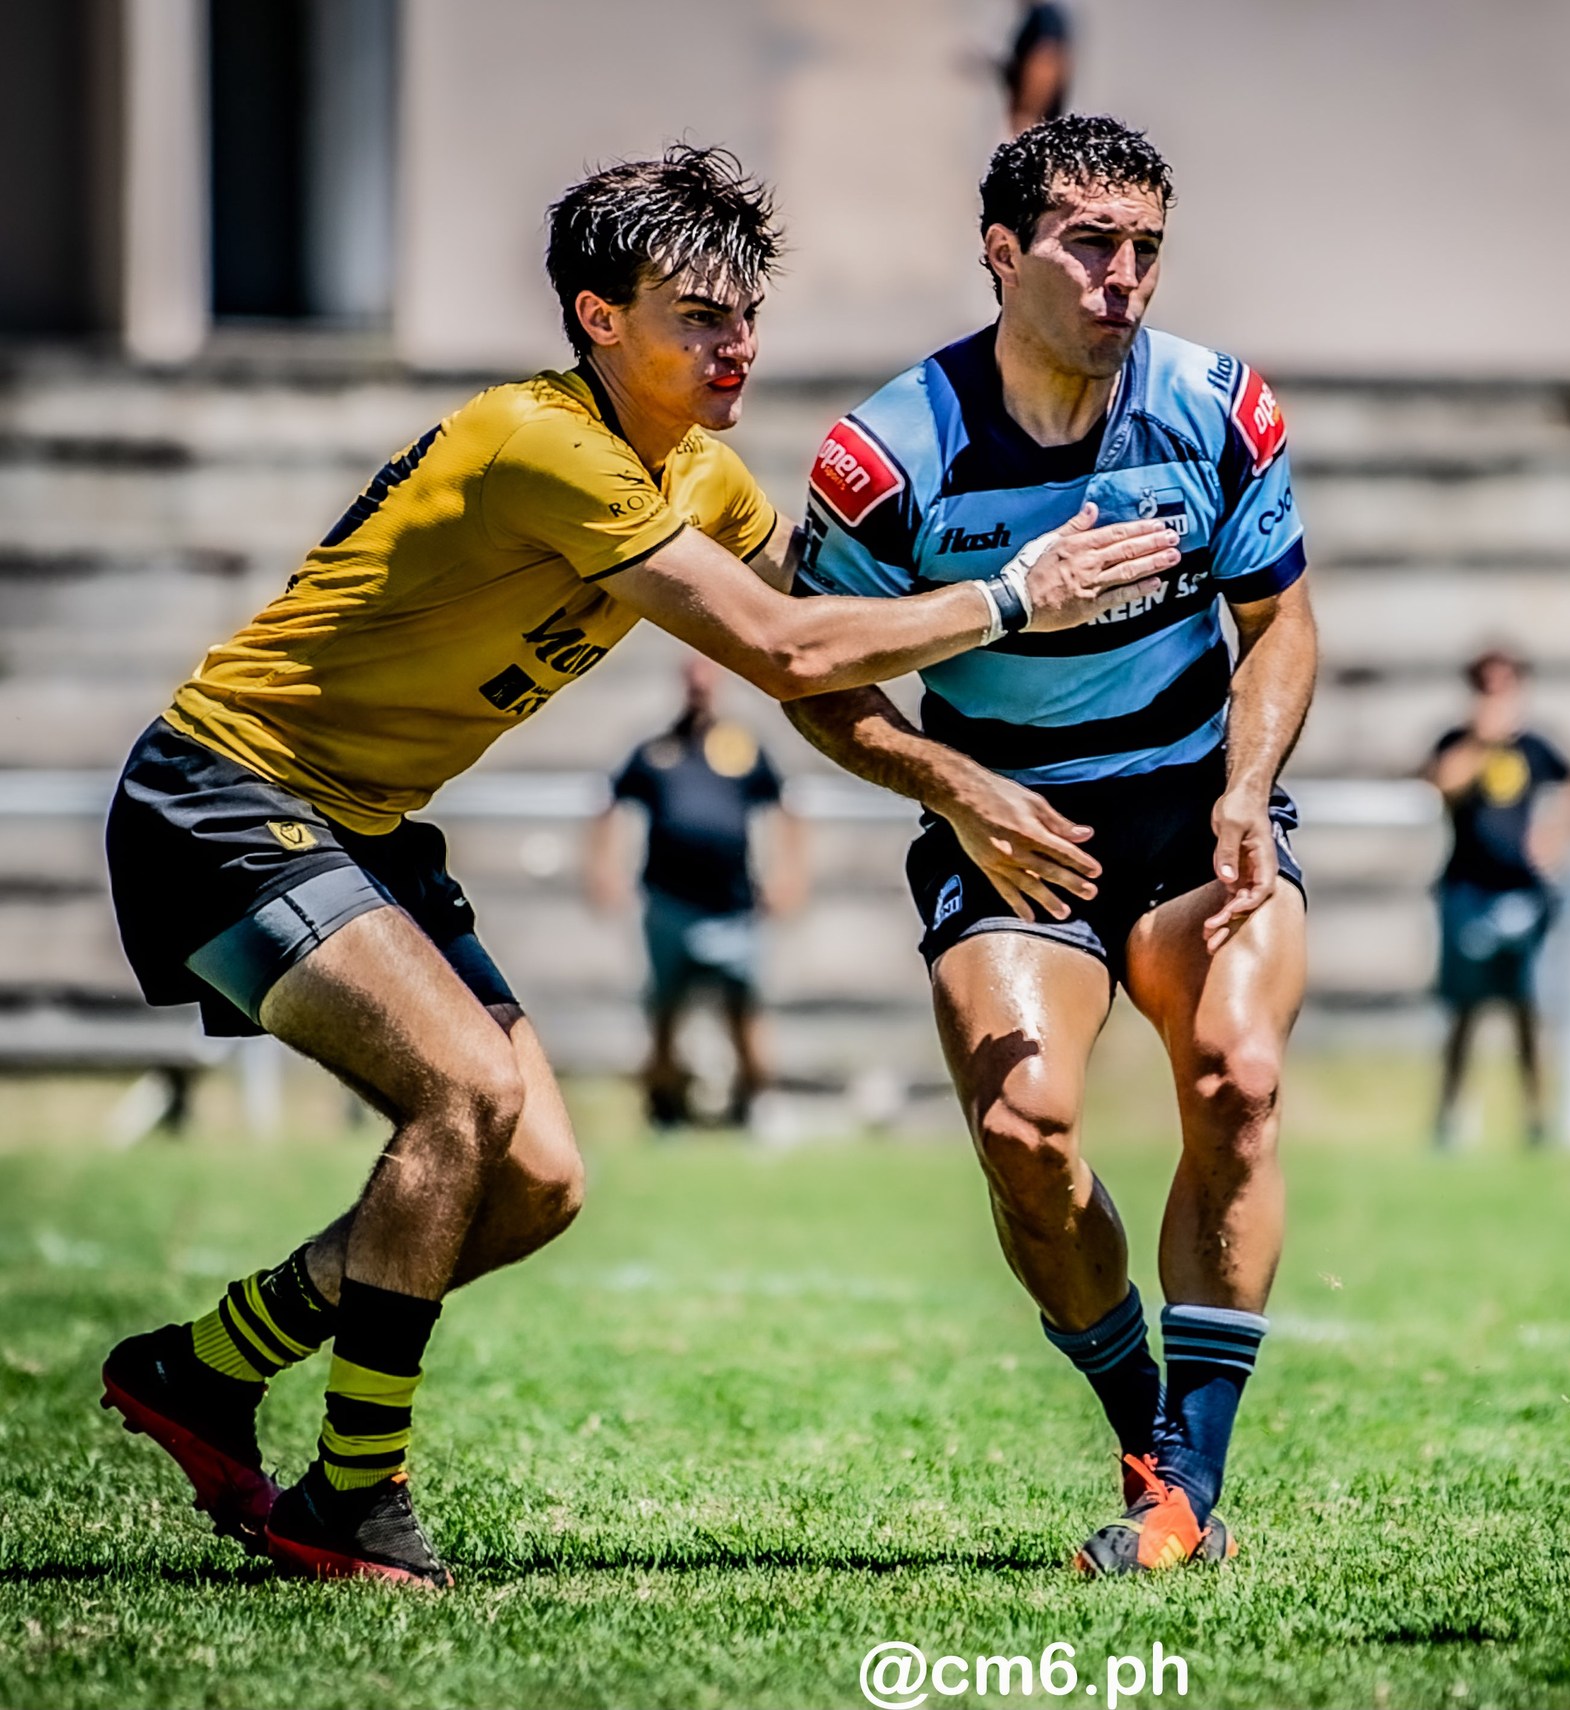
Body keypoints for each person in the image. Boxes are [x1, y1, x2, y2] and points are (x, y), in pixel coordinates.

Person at [95, 144, 1182, 1587]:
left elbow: (824, 657)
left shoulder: (707, 483)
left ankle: (204, 1366)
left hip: (356, 820)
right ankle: (349, 1497)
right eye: (696, 318)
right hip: (223, 796)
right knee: (466, 1094)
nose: (735, 347)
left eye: (746, 316)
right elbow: (791, 648)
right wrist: (1006, 594)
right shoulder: (542, 444)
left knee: (536, 1177)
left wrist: (955, 764)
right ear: (598, 321)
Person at [784, 115, 1317, 1576]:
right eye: (1091, 242)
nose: (1123, 276)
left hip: (1197, 803)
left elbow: (1282, 624)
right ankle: (1151, 1435)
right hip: (1009, 814)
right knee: (1026, 1135)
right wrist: (951, 784)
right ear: (1003, 251)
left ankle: (1185, 1488)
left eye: (1145, 247)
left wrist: (1244, 781)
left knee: (1239, 1073)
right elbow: (813, 671)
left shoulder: (1218, 410)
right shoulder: (886, 458)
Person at [588, 655, 806, 1129]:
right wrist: (605, 869)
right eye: (693, 682)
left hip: (734, 906)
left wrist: (788, 874)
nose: (700, 691)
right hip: (668, 904)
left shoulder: (742, 748)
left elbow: (785, 806)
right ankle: (664, 1109)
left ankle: (758, 1106)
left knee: (743, 1011)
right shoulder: (656, 751)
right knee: (666, 1014)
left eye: (708, 682)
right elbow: (610, 802)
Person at [1422, 649, 1570, 1151]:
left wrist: (1557, 834)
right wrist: (1480, 741)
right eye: (1486, 687)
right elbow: (1440, 784)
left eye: (1504, 686)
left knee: (1527, 1014)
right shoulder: (1457, 743)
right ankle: (1450, 1122)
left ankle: (1537, 1121)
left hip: (1525, 895)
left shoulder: (1536, 746)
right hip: (1467, 891)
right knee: (1463, 1015)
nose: (1495, 697)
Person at [1000, 2, 1072, 137]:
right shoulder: (1041, 17)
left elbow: (1045, 64)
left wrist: (1027, 113)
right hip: (1037, 121)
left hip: (1036, 121)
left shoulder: (1044, 16)